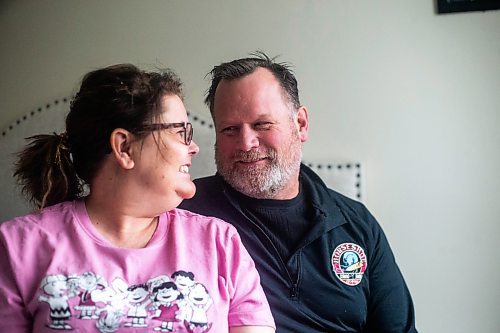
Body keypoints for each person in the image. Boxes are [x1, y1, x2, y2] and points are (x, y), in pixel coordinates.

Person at [0, 64, 275, 333]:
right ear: (125, 147)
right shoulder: (17, 246)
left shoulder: (220, 244)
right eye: (181, 133)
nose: (193, 147)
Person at [179, 52, 418, 332]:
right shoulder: (185, 217)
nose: (246, 143)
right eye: (230, 129)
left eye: (262, 124)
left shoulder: (355, 223)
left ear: (300, 124)